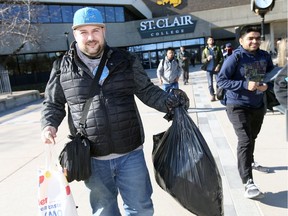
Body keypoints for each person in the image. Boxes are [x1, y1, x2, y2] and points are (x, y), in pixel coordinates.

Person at [40, 7, 189, 216]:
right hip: (93, 157)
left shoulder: (125, 61)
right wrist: (49, 125)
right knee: (104, 211)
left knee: (141, 208)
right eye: (84, 32)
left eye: (96, 31)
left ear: (104, 31)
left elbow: (146, 90)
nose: (90, 37)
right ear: (75, 34)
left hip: (131, 154)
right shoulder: (62, 67)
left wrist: (171, 102)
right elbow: (53, 103)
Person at [217, 25, 274, 199]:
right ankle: (248, 182)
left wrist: (267, 85)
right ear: (241, 40)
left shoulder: (265, 56)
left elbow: (272, 76)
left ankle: (250, 160)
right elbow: (221, 80)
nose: (255, 41)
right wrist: (243, 85)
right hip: (237, 105)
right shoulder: (235, 57)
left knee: (252, 137)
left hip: (257, 105)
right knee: (245, 140)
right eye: (250, 38)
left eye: (257, 38)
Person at [201, 36, 224, 101]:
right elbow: (202, 60)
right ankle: (212, 95)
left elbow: (221, 58)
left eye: (212, 40)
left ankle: (218, 94)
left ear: (213, 41)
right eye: (210, 40)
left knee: (218, 82)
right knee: (210, 84)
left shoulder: (217, 48)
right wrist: (207, 59)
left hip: (216, 68)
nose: (211, 41)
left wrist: (219, 65)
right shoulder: (205, 50)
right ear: (207, 42)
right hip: (208, 69)